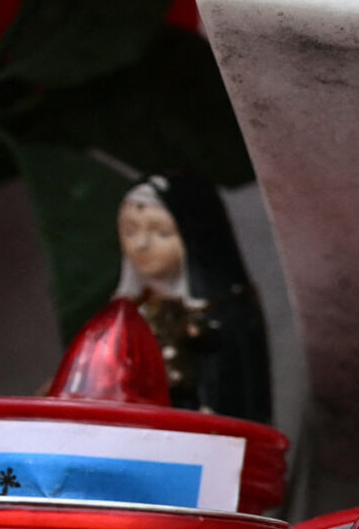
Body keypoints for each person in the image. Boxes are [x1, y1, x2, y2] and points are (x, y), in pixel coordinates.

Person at [115, 174, 273, 424]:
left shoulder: (222, 314)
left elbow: (232, 396)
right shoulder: (127, 312)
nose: (142, 244)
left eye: (162, 233)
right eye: (130, 231)